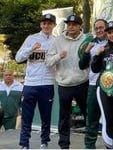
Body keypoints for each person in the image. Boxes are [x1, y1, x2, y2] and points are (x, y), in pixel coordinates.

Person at [45, 14, 89, 149]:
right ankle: (64, 145)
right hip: (64, 84)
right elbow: (48, 61)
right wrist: (59, 56)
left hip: (83, 82)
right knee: (64, 117)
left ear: (80, 26)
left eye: (74, 24)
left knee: (89, 114)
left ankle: (90, 143)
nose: (71, 27)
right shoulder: (57, 41)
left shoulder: (87, 39)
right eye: (69, 24)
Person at [15, 13, 56, 149]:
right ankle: (24, 144)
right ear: (40, 25)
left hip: (47, 84)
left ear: (54, 25)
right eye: (44, 23)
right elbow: (18, 58)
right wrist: (31, 48)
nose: (46, 26)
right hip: (30, 84)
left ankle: (44, 142)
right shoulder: (31, 39)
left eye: (49, 23)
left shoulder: (56, 41)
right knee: (27, 116)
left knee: (46, 116)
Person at [91, 20, 113, 149]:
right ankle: (110, 146)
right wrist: (97, 56)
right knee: (109, 120)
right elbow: (94, 69)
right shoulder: (103, 49)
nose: (112, 35)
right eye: (109, 33)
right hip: (105, 91)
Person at [78, 19, 107, 149]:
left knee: (110, 117)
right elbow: (81, 65)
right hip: (93, 84)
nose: (99, 30)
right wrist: (86, 51)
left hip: (110, 85)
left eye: (102, 27)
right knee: (92, 118)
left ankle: (110, 145)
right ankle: (89, 146)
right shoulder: (90, 44)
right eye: (97, 28)